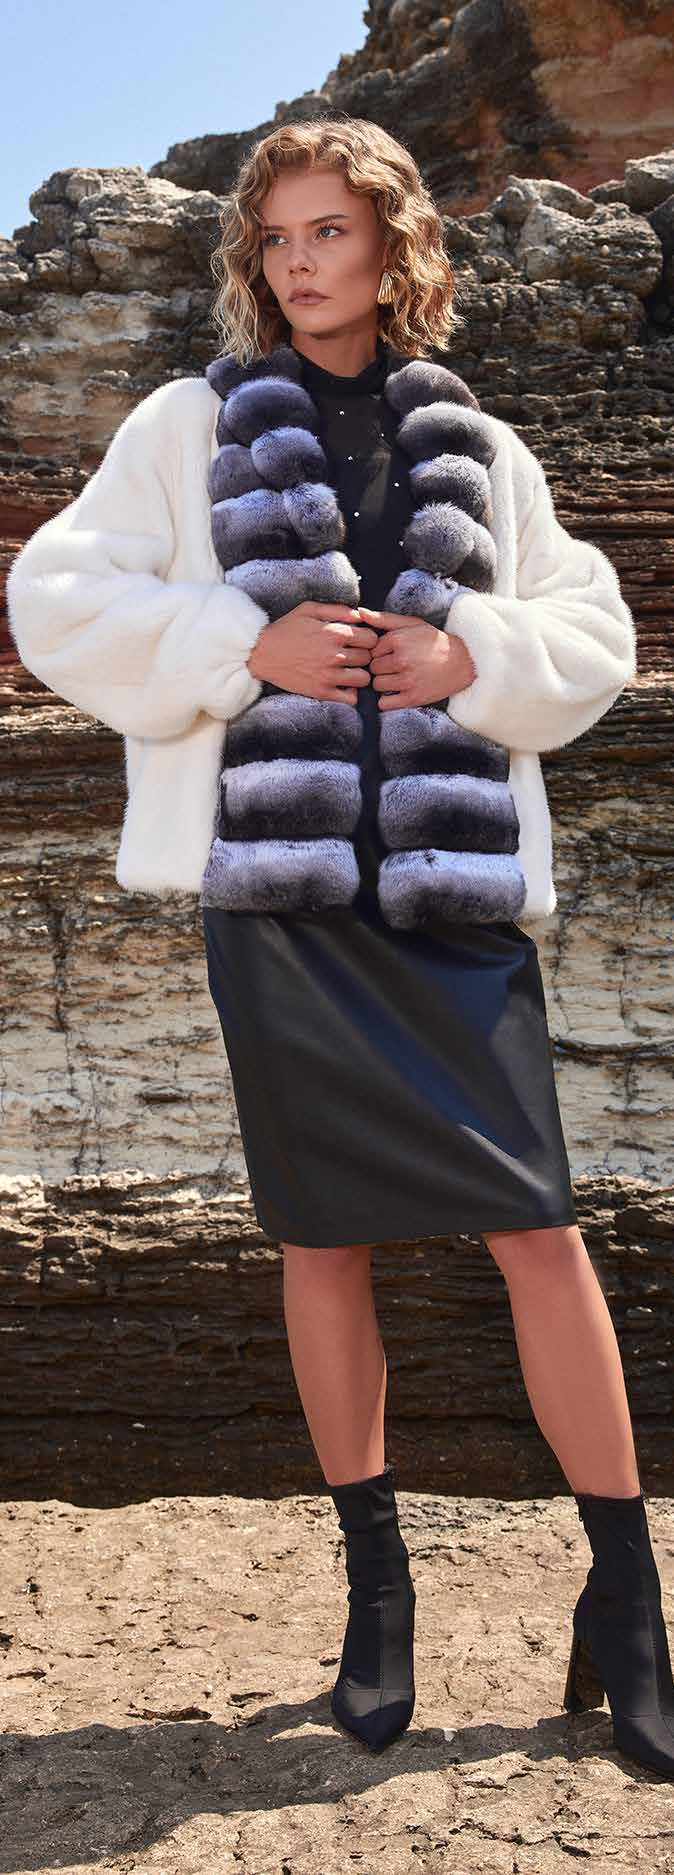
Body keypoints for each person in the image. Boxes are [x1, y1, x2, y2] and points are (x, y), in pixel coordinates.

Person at [7, 117, 673, 1775]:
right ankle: (377, 1596)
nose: (300, 261)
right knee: (321, 1243)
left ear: (391, 244)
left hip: (451, 906)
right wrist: (242, 641)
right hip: (284, 903)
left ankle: (626, 1599)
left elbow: (590, 626)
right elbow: (58, 594)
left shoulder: (477, 440)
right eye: (277, 236)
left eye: (329, 230)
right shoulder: (189, 422)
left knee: (539, 1232)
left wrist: (472, 657)